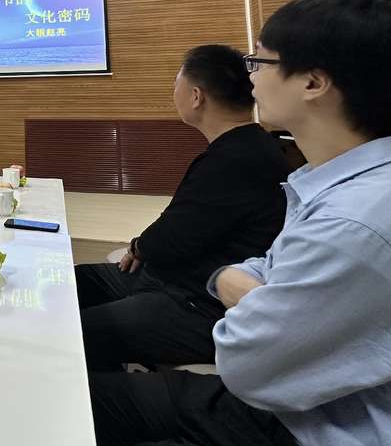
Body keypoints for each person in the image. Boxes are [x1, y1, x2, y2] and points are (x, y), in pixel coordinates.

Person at [90, 0, 391, 446]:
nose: (249, 76)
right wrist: (246, 287)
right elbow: (260, 270)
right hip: (290, 413)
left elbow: (245, 362)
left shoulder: (360, 220)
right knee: (78, 399)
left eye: (259, 61)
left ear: (312, 82)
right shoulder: (354, 181)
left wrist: (243, 289)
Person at [75, 45, 288, 371]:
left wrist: (142, 247)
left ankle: (104, 392)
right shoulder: (246, 147)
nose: (173, 92)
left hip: (197, 304)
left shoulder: (236, 160)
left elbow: (172, 240)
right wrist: (143, 246)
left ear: (196, 96)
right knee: (70, 284)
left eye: (176, 84)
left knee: (76, 333)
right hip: (172, 277)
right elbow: (178, 228)